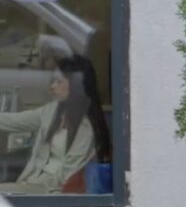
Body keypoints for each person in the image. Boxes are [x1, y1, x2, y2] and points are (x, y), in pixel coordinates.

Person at [0, 54, 110, 193]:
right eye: (53, 81)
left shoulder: (84, 128)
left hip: (56, 193)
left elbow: (67, 177)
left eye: (59, 82)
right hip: (32, 184)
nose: (52, 86)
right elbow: (13, 121)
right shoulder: (52, 111)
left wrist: (31, 187)